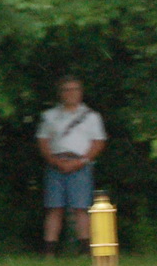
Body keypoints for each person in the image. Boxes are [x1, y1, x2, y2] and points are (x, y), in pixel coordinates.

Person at [36, 76, 107, 256]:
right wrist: (54, 161)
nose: (71, 93)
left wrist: (81, 162)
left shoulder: (91, 117)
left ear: (80, 92)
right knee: (54, 208)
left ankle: (85, 251)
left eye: (74, 89)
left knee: (81, 208)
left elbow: (98, 142)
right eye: (66, 89)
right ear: (61, 93)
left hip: (81, 165)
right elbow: (43, 141)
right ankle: (49, 251)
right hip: (56, 164)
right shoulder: (50, 116)